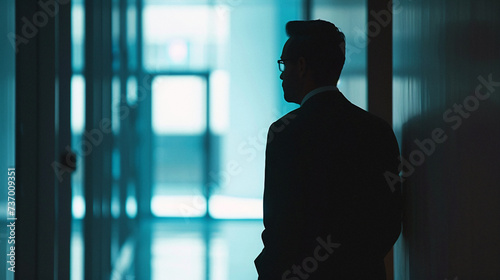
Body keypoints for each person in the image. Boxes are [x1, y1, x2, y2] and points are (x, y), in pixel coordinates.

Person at [254, 20, 402, 280]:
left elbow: (280, 224)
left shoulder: (285, 132)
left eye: (284, 64)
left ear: (301, 66)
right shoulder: (377, 130)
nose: (281, 74)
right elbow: (389, 220)